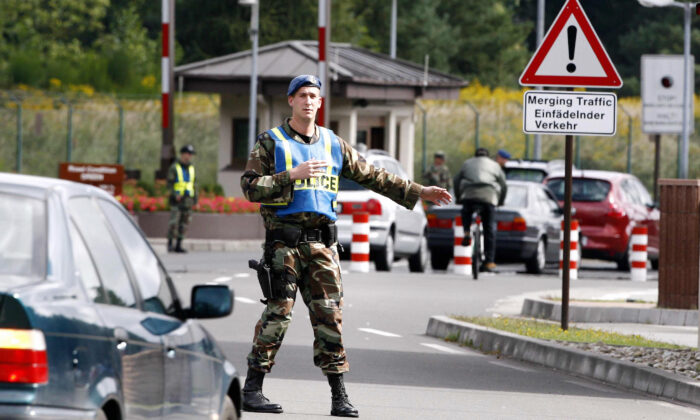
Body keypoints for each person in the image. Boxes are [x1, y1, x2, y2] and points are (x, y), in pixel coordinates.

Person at [240, 74, 451, 417]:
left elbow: (373, 175)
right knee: (278, 314)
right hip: (284, 244)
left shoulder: (332, 143)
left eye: (314, 96)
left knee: (330, 318)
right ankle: (252, 389)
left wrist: (417, 192)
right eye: (302, 95)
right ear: (290, 101)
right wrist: (290, 176)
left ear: (321, 103)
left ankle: (339, 396)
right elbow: (249, 188)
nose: (309, 101)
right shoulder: (270, 142)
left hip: (323, 245)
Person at [453, 147, 507, 273]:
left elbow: (456, 180)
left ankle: (466, 232)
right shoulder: (494, 165)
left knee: (466, 212)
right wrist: (500, 201)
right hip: (489, 197)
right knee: (489, 228)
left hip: (469, 195)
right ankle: (489, 261)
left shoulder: (467, 163)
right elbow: (503, 185)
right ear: (487, 156)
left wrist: (458, 197)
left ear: (475, 155)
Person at [166, 144, 197, 253]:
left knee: (184, 223)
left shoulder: (191, 168)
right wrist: (175, 194)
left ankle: (179, 244)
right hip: (177, 200)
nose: (189, 156)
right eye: (187, 154)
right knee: (174, 222)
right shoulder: (175, 167)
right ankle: (170, 244)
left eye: (191, 154)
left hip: (188, 199)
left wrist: (195, 199)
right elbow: (169, 184)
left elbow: (194, 184)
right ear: (182, 154)